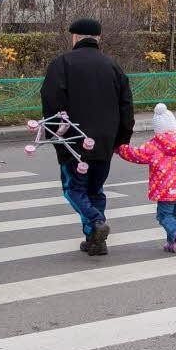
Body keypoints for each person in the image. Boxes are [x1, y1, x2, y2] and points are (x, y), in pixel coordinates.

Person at [41, 19, 135, 256]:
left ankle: (95, 222)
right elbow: (126, 106)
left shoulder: (62, 64)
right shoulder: (112, 66)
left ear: (75, 37)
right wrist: (122, 139)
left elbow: (51, 101)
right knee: (96, 190)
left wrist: (56, 137)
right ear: (98, 38)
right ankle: (95, 242)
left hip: (73, 142)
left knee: (73, 189)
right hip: (105, 141)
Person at [116, 104, 176, 253]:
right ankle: (172, 242)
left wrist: (120, 148)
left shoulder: (154, 145)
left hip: (165, 192)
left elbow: (135, 154)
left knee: (164, 217)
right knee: (172, 216)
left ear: (157, 128)